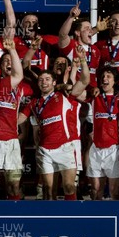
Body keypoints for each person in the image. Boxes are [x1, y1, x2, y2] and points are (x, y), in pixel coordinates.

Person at [18, 45, 90, 200]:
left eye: (47, 79)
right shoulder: (34, 103)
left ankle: (72, 220)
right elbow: (19, 119)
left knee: (69, 186)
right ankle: (49, 222)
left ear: (53, 82)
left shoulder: (65, 95)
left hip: (65, 147)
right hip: (45, 150)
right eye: (41, 80)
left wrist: (83, 60)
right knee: (47, 190)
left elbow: (85, 80)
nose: (44, 82)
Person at [83, 66, 119, 200]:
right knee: (95, 190)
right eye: (103, 77)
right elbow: (76, 92)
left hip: (114, 149)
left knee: (114, 191)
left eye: (108, 77)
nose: (104, 79)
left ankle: (116, 220)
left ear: (115, 81)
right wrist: (90, 89)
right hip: (96, 149)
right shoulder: (94, 97)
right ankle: (96, 220)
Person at [0, 35, 25, 200]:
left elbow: (31, 104)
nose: (8, 63)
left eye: (11, 60)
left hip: (12, 141)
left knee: (14, 184)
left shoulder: (22, 88)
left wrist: (22, 118)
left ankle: (17, 213)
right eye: (5, 61)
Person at [57, 2, 102, 89]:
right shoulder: (72, 46)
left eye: (91, 28)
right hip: (75, 92)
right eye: (86, 28)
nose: (91, 31)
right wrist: (71, 17)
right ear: (77, 33)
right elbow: (62, 35)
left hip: (92, 93)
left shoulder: (95, 49)